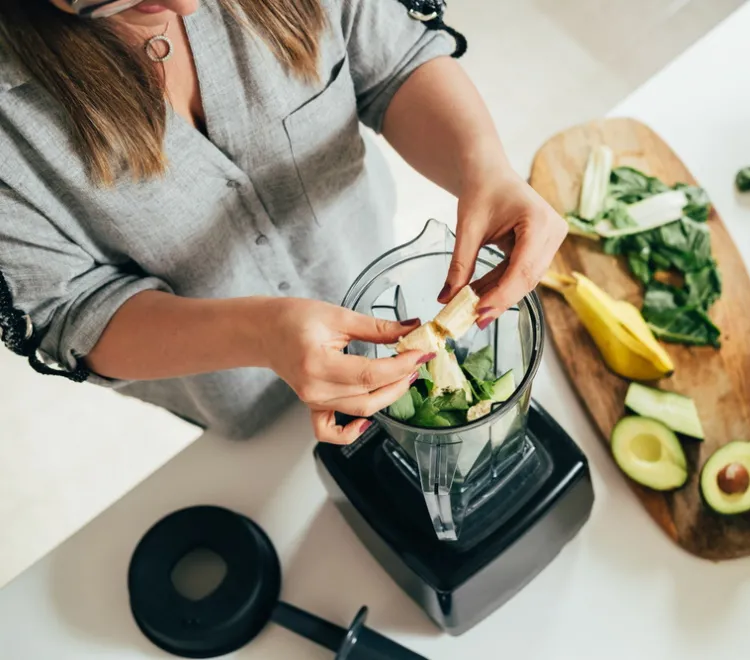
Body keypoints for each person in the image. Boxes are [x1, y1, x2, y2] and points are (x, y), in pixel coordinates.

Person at [0, 0, 566, 444]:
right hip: (230, 389)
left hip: (359, 257)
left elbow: (393, 64)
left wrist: (483, 164)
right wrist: (261, 334)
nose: (187, 8)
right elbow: (71, 311)